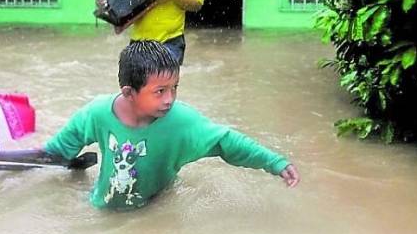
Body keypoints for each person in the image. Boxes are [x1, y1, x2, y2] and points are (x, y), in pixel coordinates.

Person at [43, 40, 300, 210]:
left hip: (156, 206)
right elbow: (60, 148)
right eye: (160, 91)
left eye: (174, 88)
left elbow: (227, 142)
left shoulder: (181, 122)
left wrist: (275, 163)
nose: (170, 99)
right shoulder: (97, 113)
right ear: (129, 93)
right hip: (102, 207)